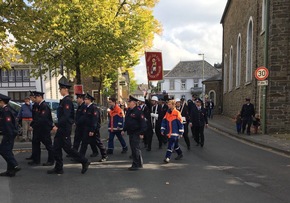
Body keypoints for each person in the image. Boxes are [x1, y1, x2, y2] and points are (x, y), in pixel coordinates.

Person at [49, 80, 90, 174]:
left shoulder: (67, 101)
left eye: (60, 89)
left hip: (64, 128)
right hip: (62, 128)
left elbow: (66, 116)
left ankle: (84, 161)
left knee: (68, 149)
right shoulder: (64, 100)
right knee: (56, 147)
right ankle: (58, 168)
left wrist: (57, 125)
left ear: (65, 89)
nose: (59, 91)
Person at [28, 91, 54, 166]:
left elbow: (42, 119)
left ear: (40, 97)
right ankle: (36, 160)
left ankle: (51, 160)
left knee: (48, 145)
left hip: (44, 129)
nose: (35, 99)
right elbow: (36, 118)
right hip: (38, 129)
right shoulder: (38, 105)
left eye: (36, 97)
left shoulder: (44, 106)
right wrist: (32, 125)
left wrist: (33, 126)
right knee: (35, 144)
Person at [121, 95, 147, 171]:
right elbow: (127, 121)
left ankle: (135, 164)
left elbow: (143, 124)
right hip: (131, 132)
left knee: (135, 148)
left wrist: (142, 133)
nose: (128, 103)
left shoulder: (138, 111)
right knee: (135, 148)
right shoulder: (129, 110)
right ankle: (139, 163)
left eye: (130, 102)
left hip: (136, 132)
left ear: (134, 103)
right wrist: (124, 129)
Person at [0, 94, 21, 177]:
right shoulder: (5, 109)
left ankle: (14, 165)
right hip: (9, 133)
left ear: (1, 101)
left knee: (3, 150)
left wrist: (9, 135)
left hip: (9, 134)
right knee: (8, 151)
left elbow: (8, 124)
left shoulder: (6, 111)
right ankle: (10, 171)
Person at [161, 100, 184, 164]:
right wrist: (162, 129)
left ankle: (167, 157)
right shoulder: (167, 113)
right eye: (168, 104)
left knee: (170, 144)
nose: (168, 105)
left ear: (173, 105)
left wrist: (181, 132)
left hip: (175, 132)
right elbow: (164, 121)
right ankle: (180, 153)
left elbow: (180, 123)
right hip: (169, 132)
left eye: (169, 104)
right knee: (175, 145)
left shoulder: (177, 113)